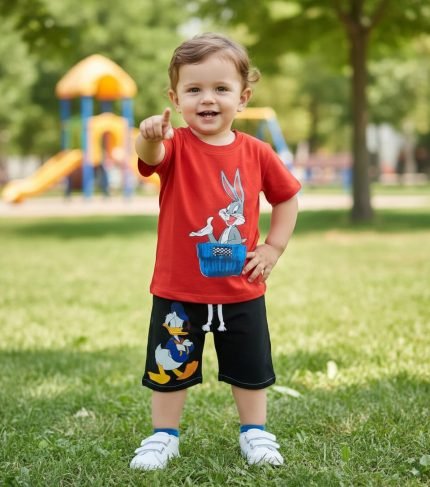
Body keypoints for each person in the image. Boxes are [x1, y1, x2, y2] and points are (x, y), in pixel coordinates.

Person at [130, 33, 301, 470]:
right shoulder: (176, 146)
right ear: (176, 99)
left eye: (221, 88)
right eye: (194, 89)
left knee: (250, 366)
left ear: (242, 98)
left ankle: (255, 431)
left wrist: (273, 247)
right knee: (170, 366)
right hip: (178, 288)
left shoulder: (257, 152)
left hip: (241, 286)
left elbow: (286, 198)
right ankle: (163, 436)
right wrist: (149, 136)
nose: (207, 98)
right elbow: (150, 155)